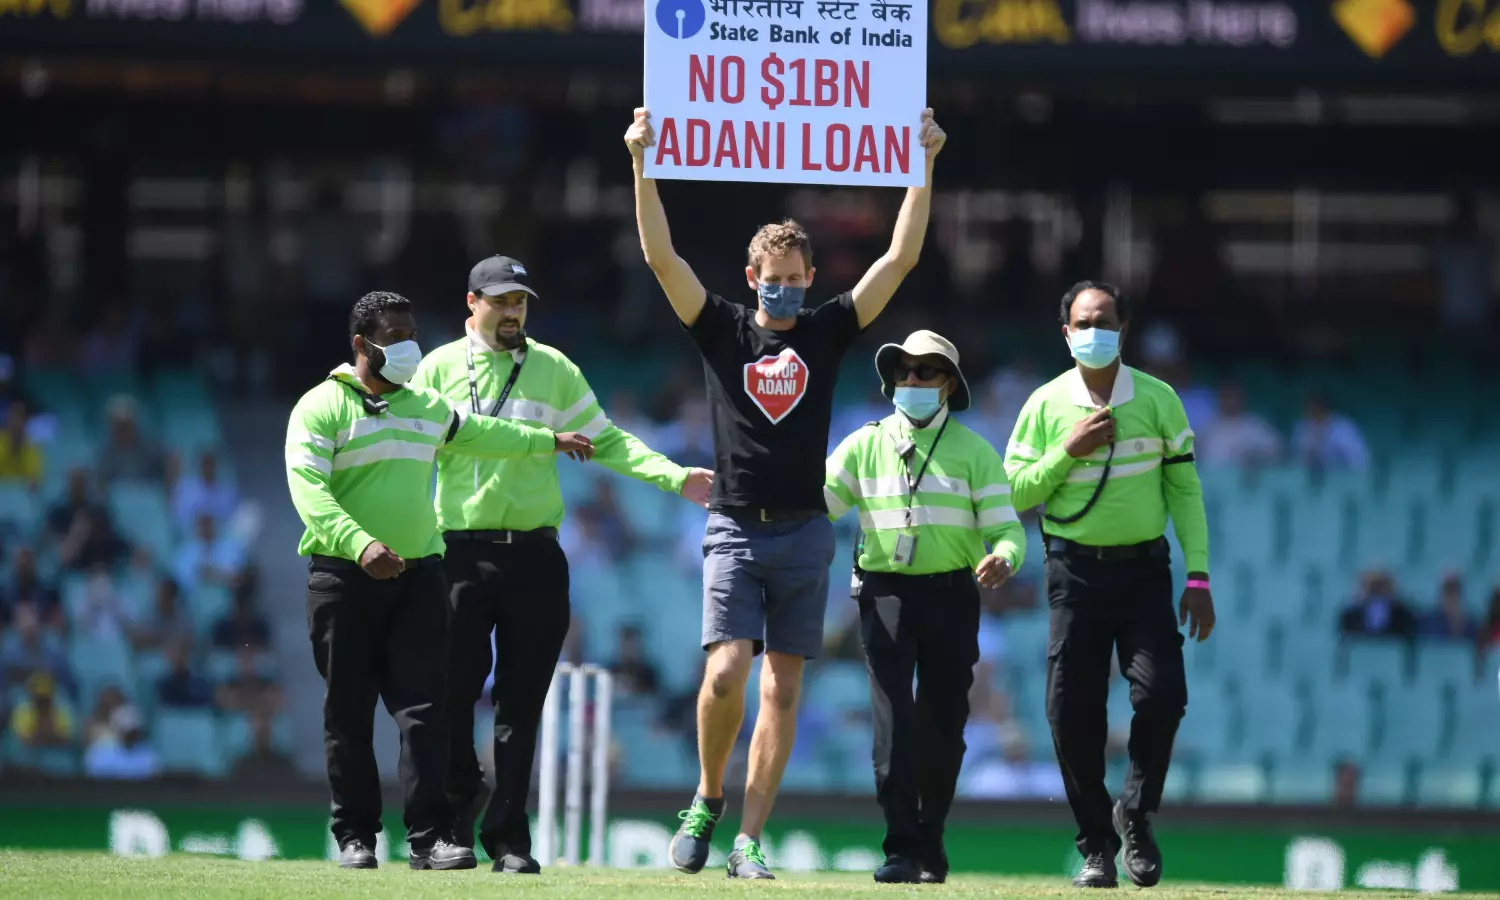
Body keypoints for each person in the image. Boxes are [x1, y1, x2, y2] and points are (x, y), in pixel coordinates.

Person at [624, 105, 947, 879]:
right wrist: (641, 164)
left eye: (795, 282)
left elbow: (898, 260)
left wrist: (925, 162)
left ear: (810, 279)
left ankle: (748, 841)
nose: (783, 294)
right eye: (771, 283)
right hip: (734, 526)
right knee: (727, 672)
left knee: (782, 688)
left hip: (805, 532)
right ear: (751, 280)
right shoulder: (723, 329)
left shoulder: (829, 331)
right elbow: (661, 258)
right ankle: (707, 797)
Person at [409, 255, 711, 874]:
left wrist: (676, 477)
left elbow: (608, 440)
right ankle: (452, 826)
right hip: (457, 553)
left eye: (520, 300)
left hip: (536, 557)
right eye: (501, 300)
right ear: (473, 303)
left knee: (523, 705)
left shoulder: (552, 368)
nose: (514, 310)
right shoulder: (437, 368)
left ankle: (510, 838)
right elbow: (410, 453)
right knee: (453, 696)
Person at [285, 290, 595, 871]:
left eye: (411, 333)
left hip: (419, 574)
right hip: (343, 578)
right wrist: (361, 544)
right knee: (348, 712)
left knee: (426, 712)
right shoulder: (320, 408)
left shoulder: (424, 405)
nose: (408, 346)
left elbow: (484, 431)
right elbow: (309, 492)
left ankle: (430, 836)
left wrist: (548, 439)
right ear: (361, 345)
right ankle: (356, 836)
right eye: (395, 336)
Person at [1003, 281, 1215, 889]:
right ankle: (1096, 844)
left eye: (1105, 320)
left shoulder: (1158, 399)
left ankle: (1136, 817)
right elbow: (1016, 493)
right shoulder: (1044, 405)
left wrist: (1197, 573)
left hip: (1145, 572)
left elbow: (1185, 491)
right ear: (1065, 332)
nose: (1094, 330)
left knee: (1162, 697)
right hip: (1073, 572)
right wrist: (1068, 450)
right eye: (1082, 321)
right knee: (1069, 713)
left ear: (1122, 330)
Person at [822, 331, 1025, 884]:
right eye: (903, 371)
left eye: (925, 372)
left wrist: (1004, 556)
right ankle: (900, 848)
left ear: (949, 386)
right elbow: (819, 503)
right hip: (882, 593)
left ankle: (930, 841)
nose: (910, 381)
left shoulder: (976, 451)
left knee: (943, 727)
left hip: (952, 595)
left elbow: (1007, 528)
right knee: (891, 723)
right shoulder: (863, 442)